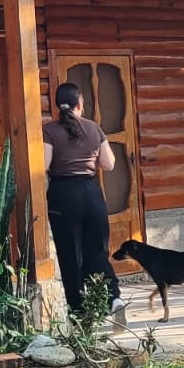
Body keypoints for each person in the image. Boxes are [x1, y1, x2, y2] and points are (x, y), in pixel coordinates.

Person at [42, 83, 123, 318]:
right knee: (97, 250)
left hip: (63, 194)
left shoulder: (50, 131)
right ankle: (113, 297)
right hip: (91, 193)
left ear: (57, 106)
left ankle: (78, 311)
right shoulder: (94, 128)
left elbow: (44, 166)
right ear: (80, 104)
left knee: (70, 254)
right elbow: (108, 164)